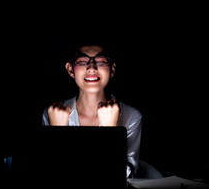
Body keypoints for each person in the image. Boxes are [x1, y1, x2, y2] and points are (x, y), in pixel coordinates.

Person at [41, 40, 142, 178]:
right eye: (82, 61)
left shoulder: (132, 116)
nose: (92, 68)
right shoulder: (51, 114)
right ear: (70, 69)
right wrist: (58, 131)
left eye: (100, 61)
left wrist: (111, 130)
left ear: (112, 69)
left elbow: (124, 178)